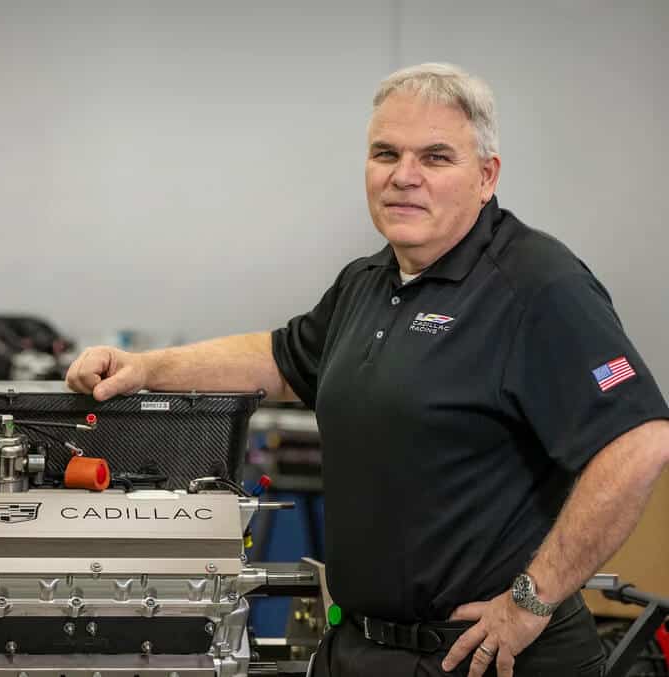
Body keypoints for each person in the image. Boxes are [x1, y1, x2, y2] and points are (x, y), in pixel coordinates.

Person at [65, 63, 669, 677]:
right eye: (386, 153)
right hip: (362, 647)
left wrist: (531, 601)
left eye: (435, 157)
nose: (404, 176)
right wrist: (147, 367)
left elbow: (640, 440)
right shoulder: (369, 280)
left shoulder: (536, 285)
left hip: (482, 657)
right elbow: (281, 359)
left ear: (486, 176)